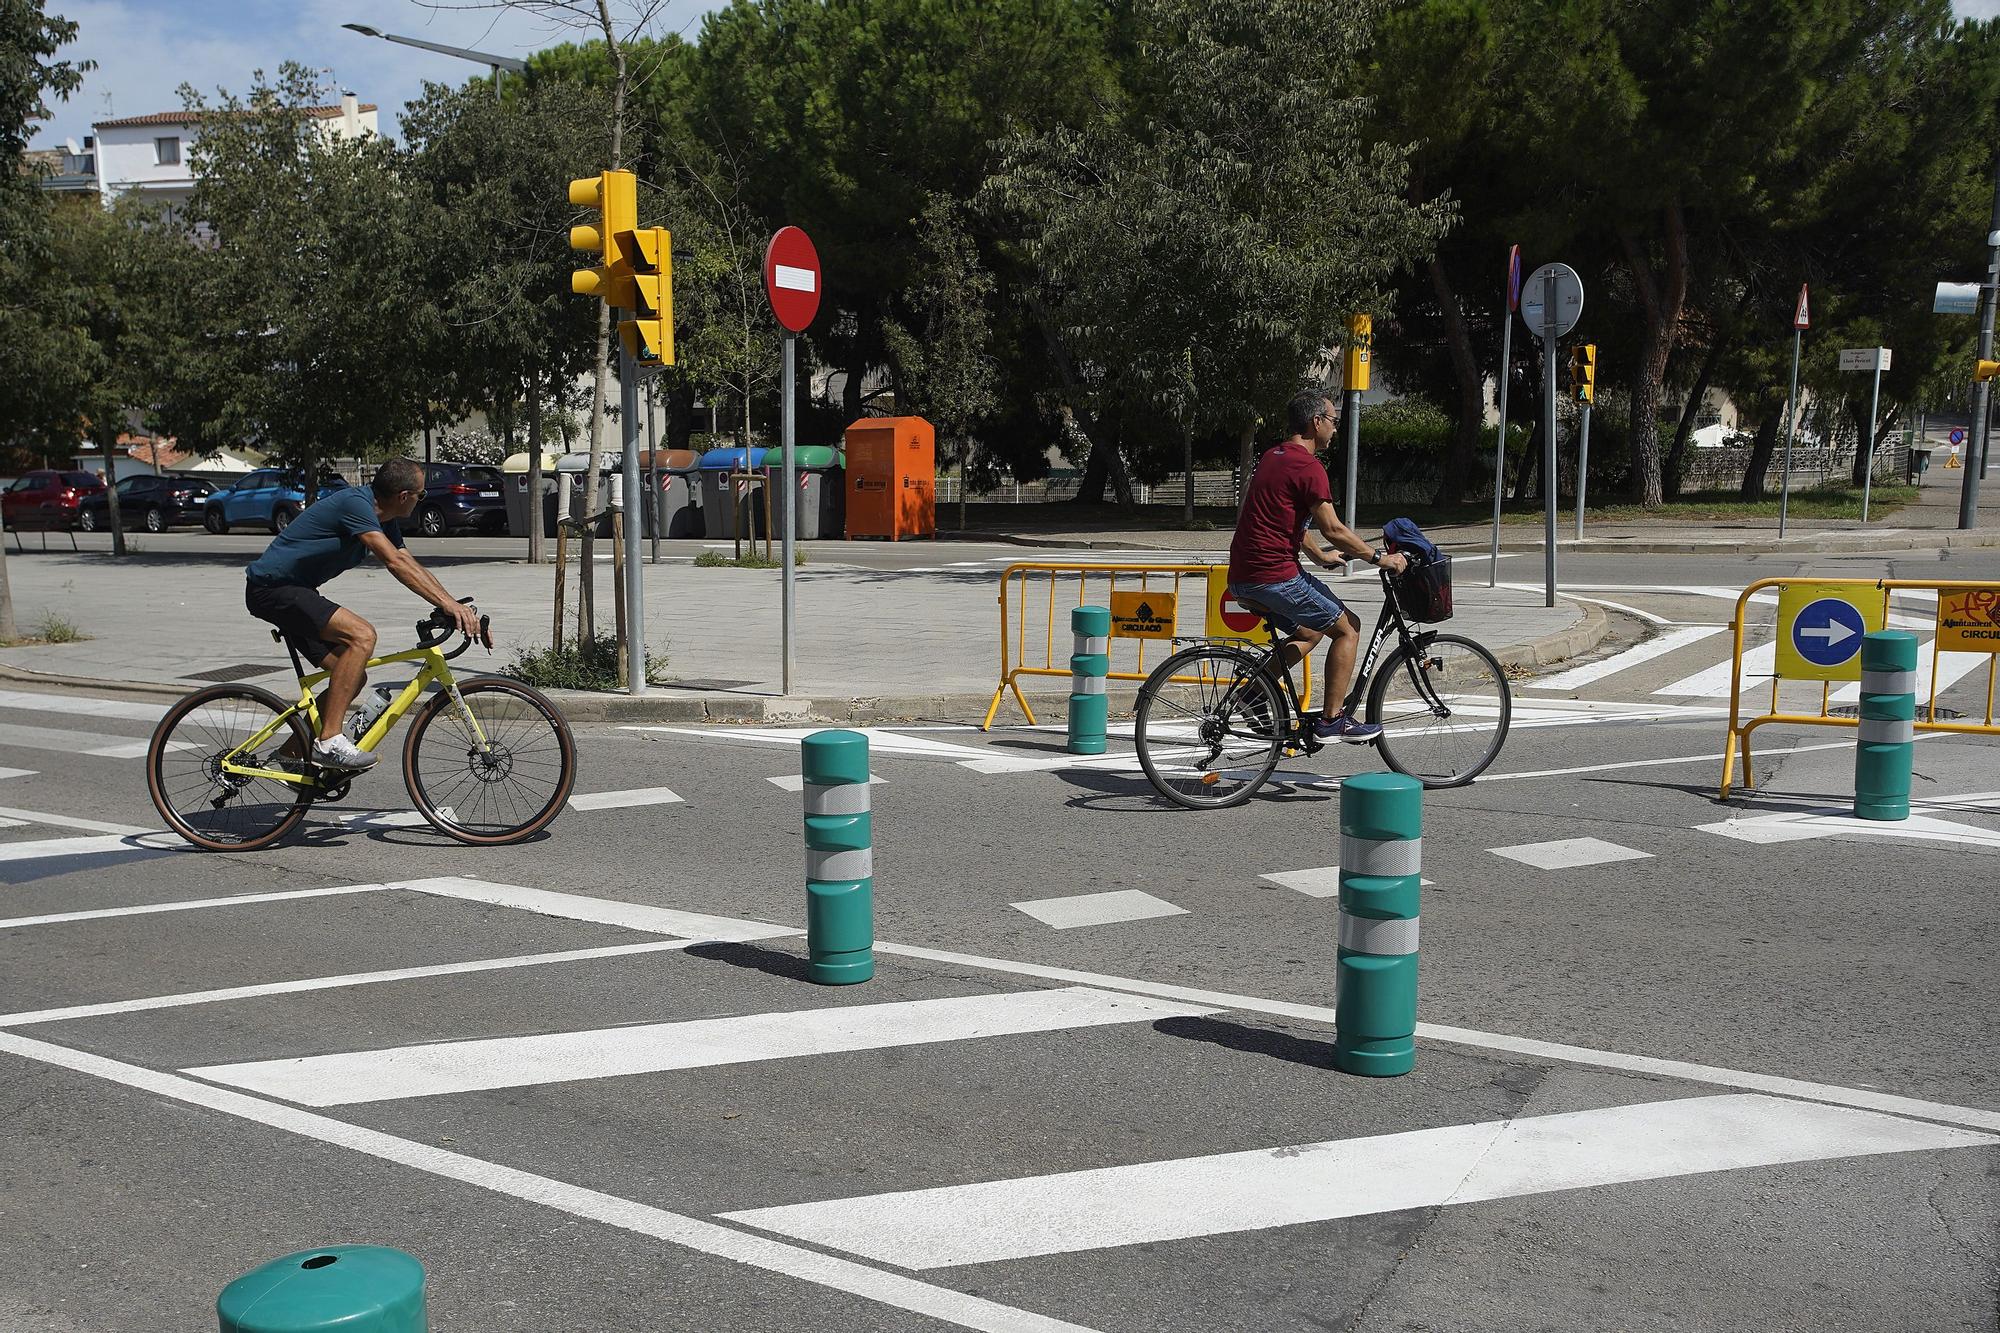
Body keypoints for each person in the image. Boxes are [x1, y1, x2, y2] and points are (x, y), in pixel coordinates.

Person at [243, 457, 485, 772]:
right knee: (362, 636)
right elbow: (393, 563)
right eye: (420, 495)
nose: (420, 499)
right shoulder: (356, 505)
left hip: (296, 592)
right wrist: (449, 605)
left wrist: (450, 605)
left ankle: (291, 757)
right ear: (403, 497)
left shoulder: (383, 518)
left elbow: (406, 560)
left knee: (352, 675)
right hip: (273, 590)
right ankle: (329, 741)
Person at [1227, 388, 1408, 742]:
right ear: (1316, 422)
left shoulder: (1273, 456)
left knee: (1309, 631)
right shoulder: (1309, 467)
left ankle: (1251, 693)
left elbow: (1284, 520)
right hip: (1274, 576)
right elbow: (1334, 529)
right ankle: (1332, 720)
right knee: (1348, 628)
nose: (1336, 429)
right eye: (1334, 421)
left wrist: (1317, 555)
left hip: (1244, 576)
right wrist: (1380, 559)